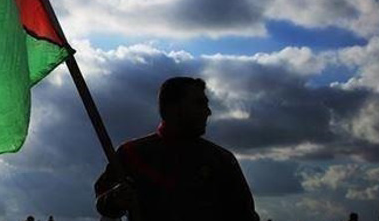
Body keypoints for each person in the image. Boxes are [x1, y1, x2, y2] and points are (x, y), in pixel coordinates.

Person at [93, 76, 259, 220]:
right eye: (199, 104)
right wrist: (115, 198)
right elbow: (103, 202)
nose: (208, 112)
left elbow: (244, 215)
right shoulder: (131, 154)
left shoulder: (222, 160)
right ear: (172, 107)